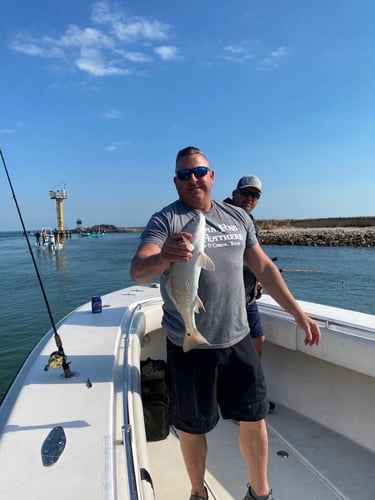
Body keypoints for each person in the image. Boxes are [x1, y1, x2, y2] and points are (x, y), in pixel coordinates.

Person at [130, 146, 321, 500]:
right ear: (176, 182)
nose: (193, 179)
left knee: (254, 418)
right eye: (184, 175)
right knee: (192, 428)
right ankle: (197, 492)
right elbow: (138, 269)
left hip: (238, 338)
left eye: (199, 172)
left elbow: (263, 266)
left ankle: (260, 493)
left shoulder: (237, 217)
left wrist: (298, 313)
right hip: (189, 345)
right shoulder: (165, 221)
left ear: (212, 175)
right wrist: (163, 256)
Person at [224, 175, 276, 413]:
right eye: (246, 193)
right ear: (235, 193)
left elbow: (256, 261)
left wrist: (257, 283)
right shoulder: (221, 215)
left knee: (257, 340)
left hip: (248, 295)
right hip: (226, 299)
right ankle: (234, 397)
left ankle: (247, 394)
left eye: (255, 195)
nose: (249, 198)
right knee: (229, 348)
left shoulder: (250, 221)